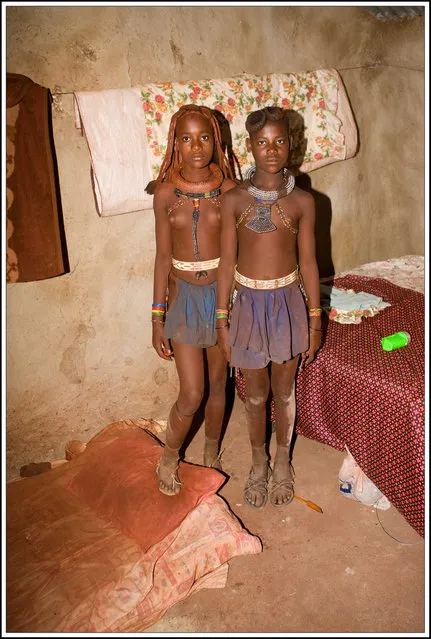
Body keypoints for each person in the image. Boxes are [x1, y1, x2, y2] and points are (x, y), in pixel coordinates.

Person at [216, 106, 322, 509]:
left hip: (288, 303)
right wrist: (222, 320)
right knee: (255, 395)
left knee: (285, 391)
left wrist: (315, 321)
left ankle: (283, 462)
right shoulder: (233, 201)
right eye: (262, 143)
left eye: (280, 141)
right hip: (247, 305)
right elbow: (227, 262)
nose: (272, 150)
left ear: (291, 145)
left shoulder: (303, 202)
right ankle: (258, 463)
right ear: (250, 148)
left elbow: (309, 263)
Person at [148, 104, 237, 496]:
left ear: (216, 142)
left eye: (204, 137)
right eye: (186, 138)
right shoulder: (166, 194)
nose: (196, 146)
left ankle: (212, 454)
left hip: (222, 297)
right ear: (175, 144)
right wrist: (156, 316)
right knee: (192, 392)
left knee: (220, 384)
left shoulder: (232, 191)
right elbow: (162, 257)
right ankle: (169, 456)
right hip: (183, 297)